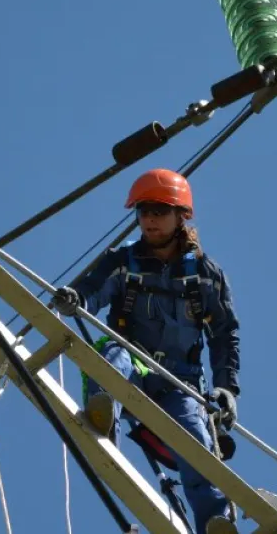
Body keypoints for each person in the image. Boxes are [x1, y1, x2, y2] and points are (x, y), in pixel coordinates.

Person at [51, 168, 241, 534]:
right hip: (131, 361)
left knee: (197, 444)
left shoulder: (204, 275)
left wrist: (226, 387)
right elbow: (91, 291)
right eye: (143, 210)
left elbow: (223, 333)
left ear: (181, 216)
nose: (149, 219)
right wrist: (76, 299)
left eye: (159, 210)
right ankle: (103, 416)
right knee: (115, 358)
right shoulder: (123, 262)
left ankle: (215, 523)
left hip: (178, 381)